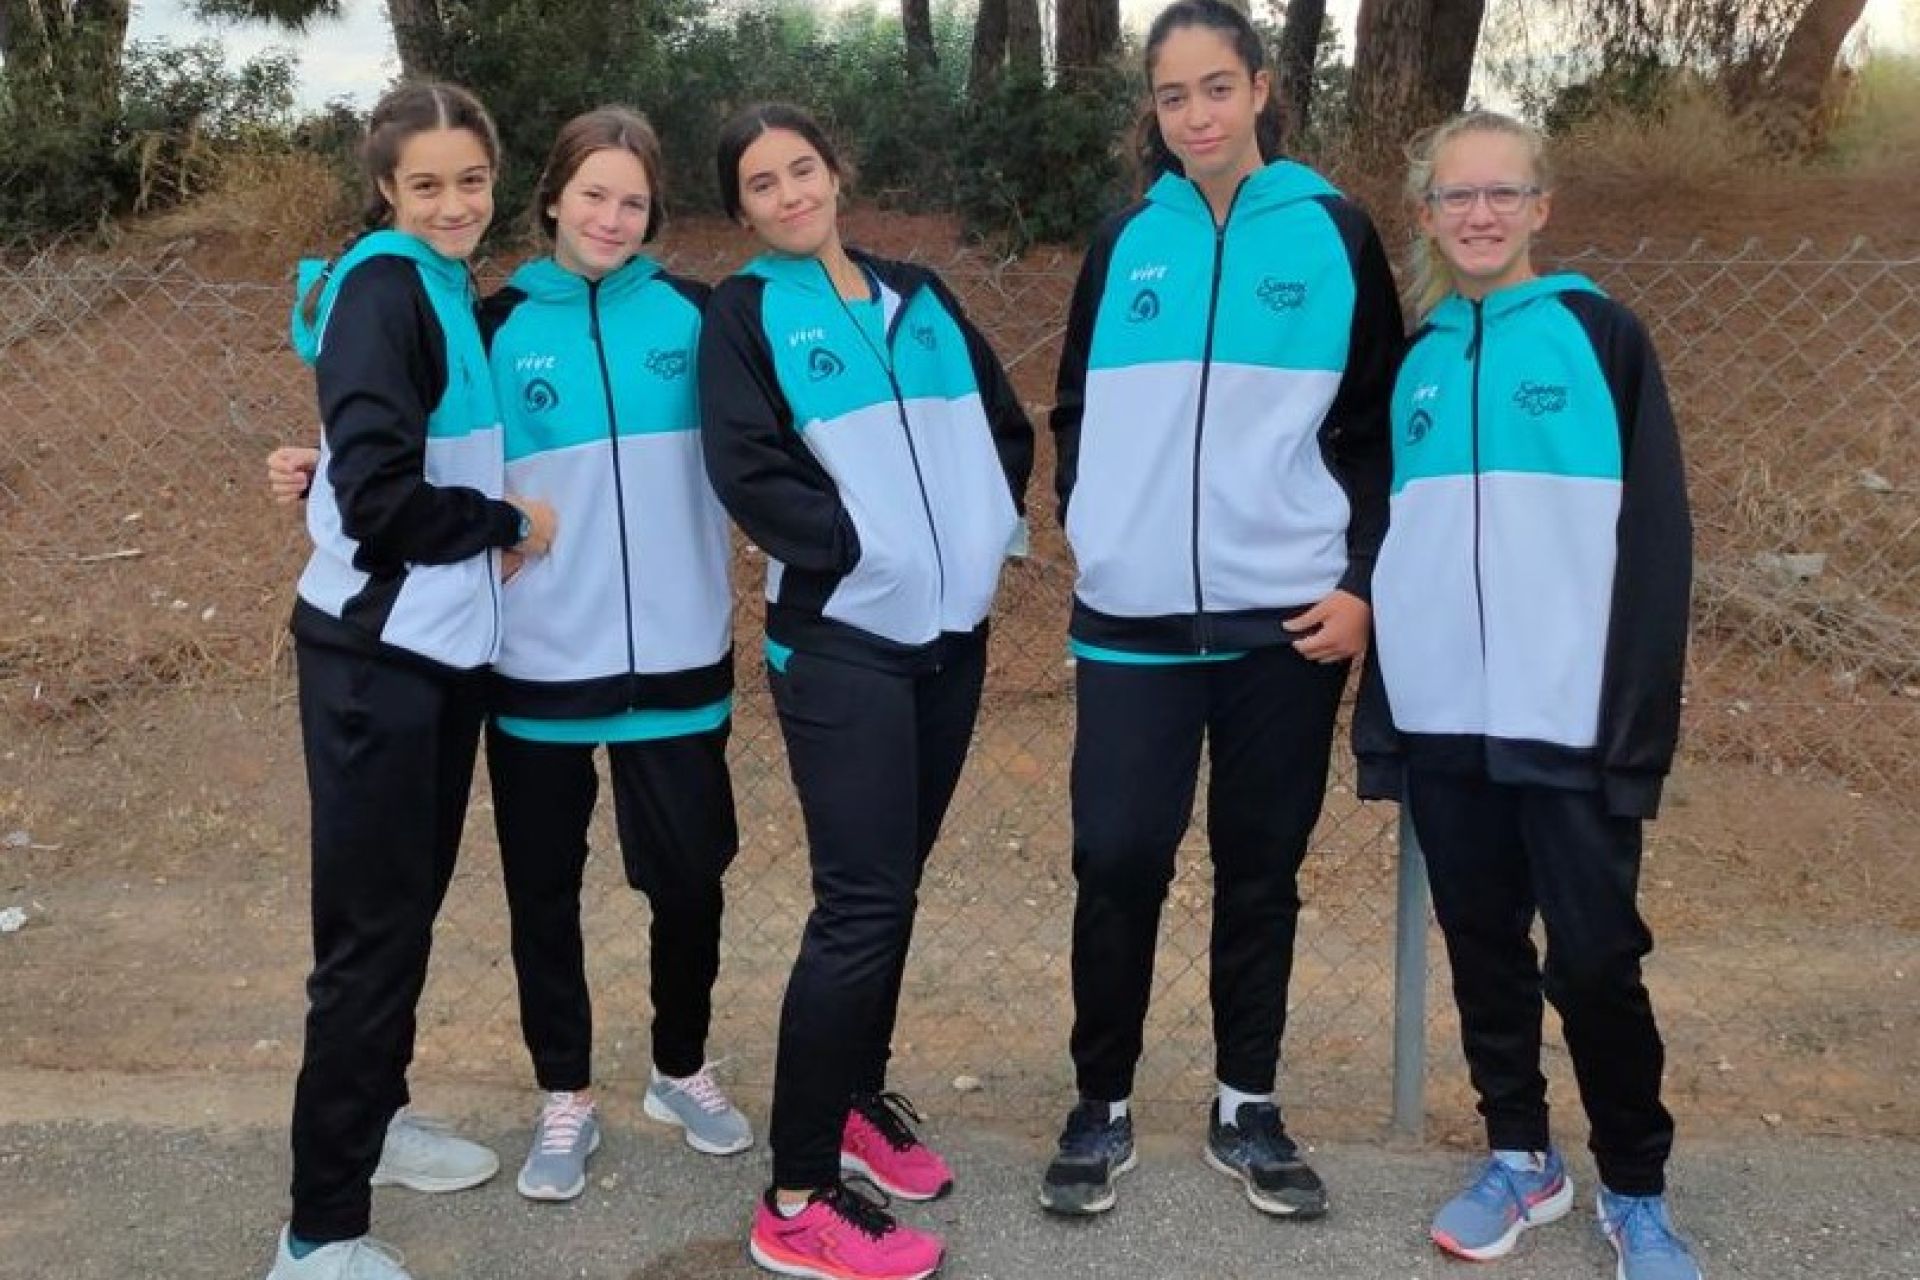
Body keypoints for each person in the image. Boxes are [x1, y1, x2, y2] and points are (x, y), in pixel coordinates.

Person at [267, 106, 754, 1211]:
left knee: (689, 879)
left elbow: (774, 428)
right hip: (533, 662)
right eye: (593, 195)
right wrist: (328, 465)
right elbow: (416, 440)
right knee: (545, 889)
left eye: (633, 201)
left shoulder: (700, 314)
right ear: (550, 199)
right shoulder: (486, 321)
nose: (612, 218)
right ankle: (564, 1093)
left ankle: (681, 1067)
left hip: (681, 658)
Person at [1039, 0, 1402, 1222]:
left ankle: (1248, 1103)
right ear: (1153, 108)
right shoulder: (1125, 239)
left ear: (1259, 89)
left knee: (1261, 867)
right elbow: (1076, 401)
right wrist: (1097, 526)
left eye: (1215, 87)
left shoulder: (1335, 231)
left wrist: (1360, 580)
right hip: (1132, 620)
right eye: (1172, 94)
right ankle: (1100, 1102)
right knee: (1118, 858)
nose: (1194, 114)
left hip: (1283, 625)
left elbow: (1374, 424)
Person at [1353, 110, 1702, 1280]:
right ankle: (1521, 1155)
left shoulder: (1602, 338)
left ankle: (1636, 1187)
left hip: (1571, 717)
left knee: (1595, 958)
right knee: (1483, 944)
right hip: (1449, 718)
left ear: (1541, 206)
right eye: (1457, 196)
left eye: (1503, 192)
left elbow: (1655, 543)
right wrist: (1392, 709)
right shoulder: (1415, 359)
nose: (1481, 213)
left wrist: (1635, 723)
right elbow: (1397, 537)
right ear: (1427, 214)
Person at [697, 102, 1032, 1280]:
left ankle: (850, 1098)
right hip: (842, 641)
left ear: (836, 173)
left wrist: (982, 538)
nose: (790, 194)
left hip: (950, 640)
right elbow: (747, 467)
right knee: (860, 905)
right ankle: (795, 1196)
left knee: (893, 888)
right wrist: (863, 551)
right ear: (741, 209)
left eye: (802, 169)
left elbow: (1001, 426)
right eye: (762, 183)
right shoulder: (744, 315)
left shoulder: (918, 295)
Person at [268, 81, 557, 1280]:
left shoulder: (441, 287)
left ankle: (375, 1122)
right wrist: (506, 522)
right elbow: (383, 500)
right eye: (427, 183)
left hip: (438, 660)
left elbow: (372, 451)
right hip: (375, 667)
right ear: (387, 186)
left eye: (472, 180)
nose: (454, 203)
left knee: (399, 917)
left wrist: (323, 461)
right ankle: (318, 1233)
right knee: (368, 941)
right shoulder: (386, 287)